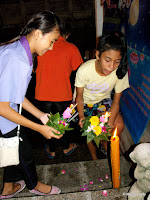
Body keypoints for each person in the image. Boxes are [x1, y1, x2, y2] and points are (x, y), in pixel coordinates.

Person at [0, 11, 63, 199]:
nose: (51, 48)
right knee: (23, 152)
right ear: (37, 34)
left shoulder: (18, 49)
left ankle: (8, 188)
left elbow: (15, 94)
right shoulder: (18, 60)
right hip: (4, 117)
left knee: (12, 148)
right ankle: (34, 185)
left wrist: (40, 115)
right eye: (51, 41)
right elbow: (3, 108)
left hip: (7, 113)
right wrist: (39, 128)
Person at [74, 32, 129, 160]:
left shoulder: (119, 72)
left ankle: (109, 148)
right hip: (85, 102)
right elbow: (79, 96)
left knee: (118, 125)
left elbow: (116, 102)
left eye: (117, 62)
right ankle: (94, 157)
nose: (111, 67)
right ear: (98, 54)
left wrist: (108, 125)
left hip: (103, 101)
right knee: (88, 129)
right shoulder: (84, 70)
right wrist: (81, 116)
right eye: (108, 60)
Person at [35, 21, 83, 158]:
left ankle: (52, 150)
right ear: (66, 34)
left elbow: (33, 69)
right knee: (64, 123)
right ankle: (66, 147)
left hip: (42, 93)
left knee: (48, 123)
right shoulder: (71, 48)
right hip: (63, 94)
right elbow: (80, 70)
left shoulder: (41, 46)